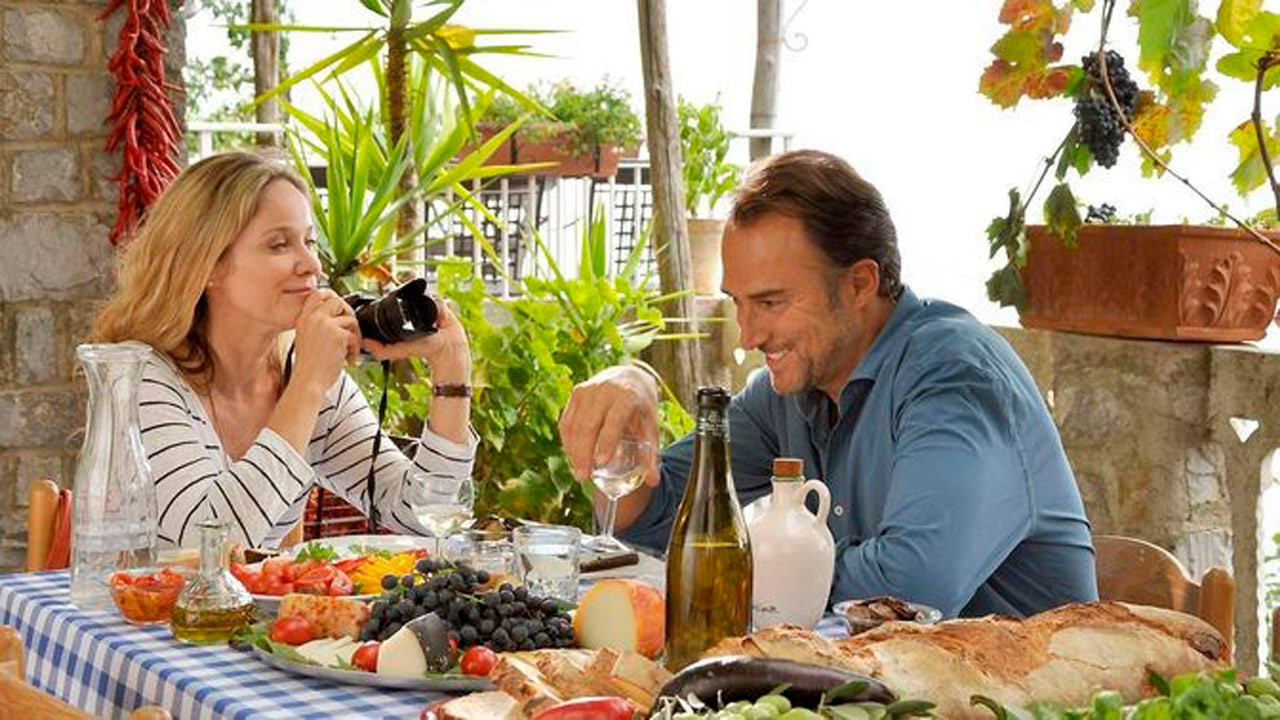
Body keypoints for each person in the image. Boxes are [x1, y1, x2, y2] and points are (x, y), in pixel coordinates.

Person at [558, 150, 1097, 618]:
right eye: (738, 303)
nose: (747, 335)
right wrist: (628, 402)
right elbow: (666, 516)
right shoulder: (787, 391)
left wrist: (738, 569)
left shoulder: (954, 375)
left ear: (860, 283)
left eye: (771, 302)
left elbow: (911, 587)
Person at [92, 151, 475, 549]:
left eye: (308, 241)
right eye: (279, 245)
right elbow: (205, 547)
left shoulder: (305, 374)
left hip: (249, 612)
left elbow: (424, 515)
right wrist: (307, 384)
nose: (311, 264)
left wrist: (452, 371)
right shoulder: (140, 377)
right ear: (207, 265)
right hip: (145, 610)